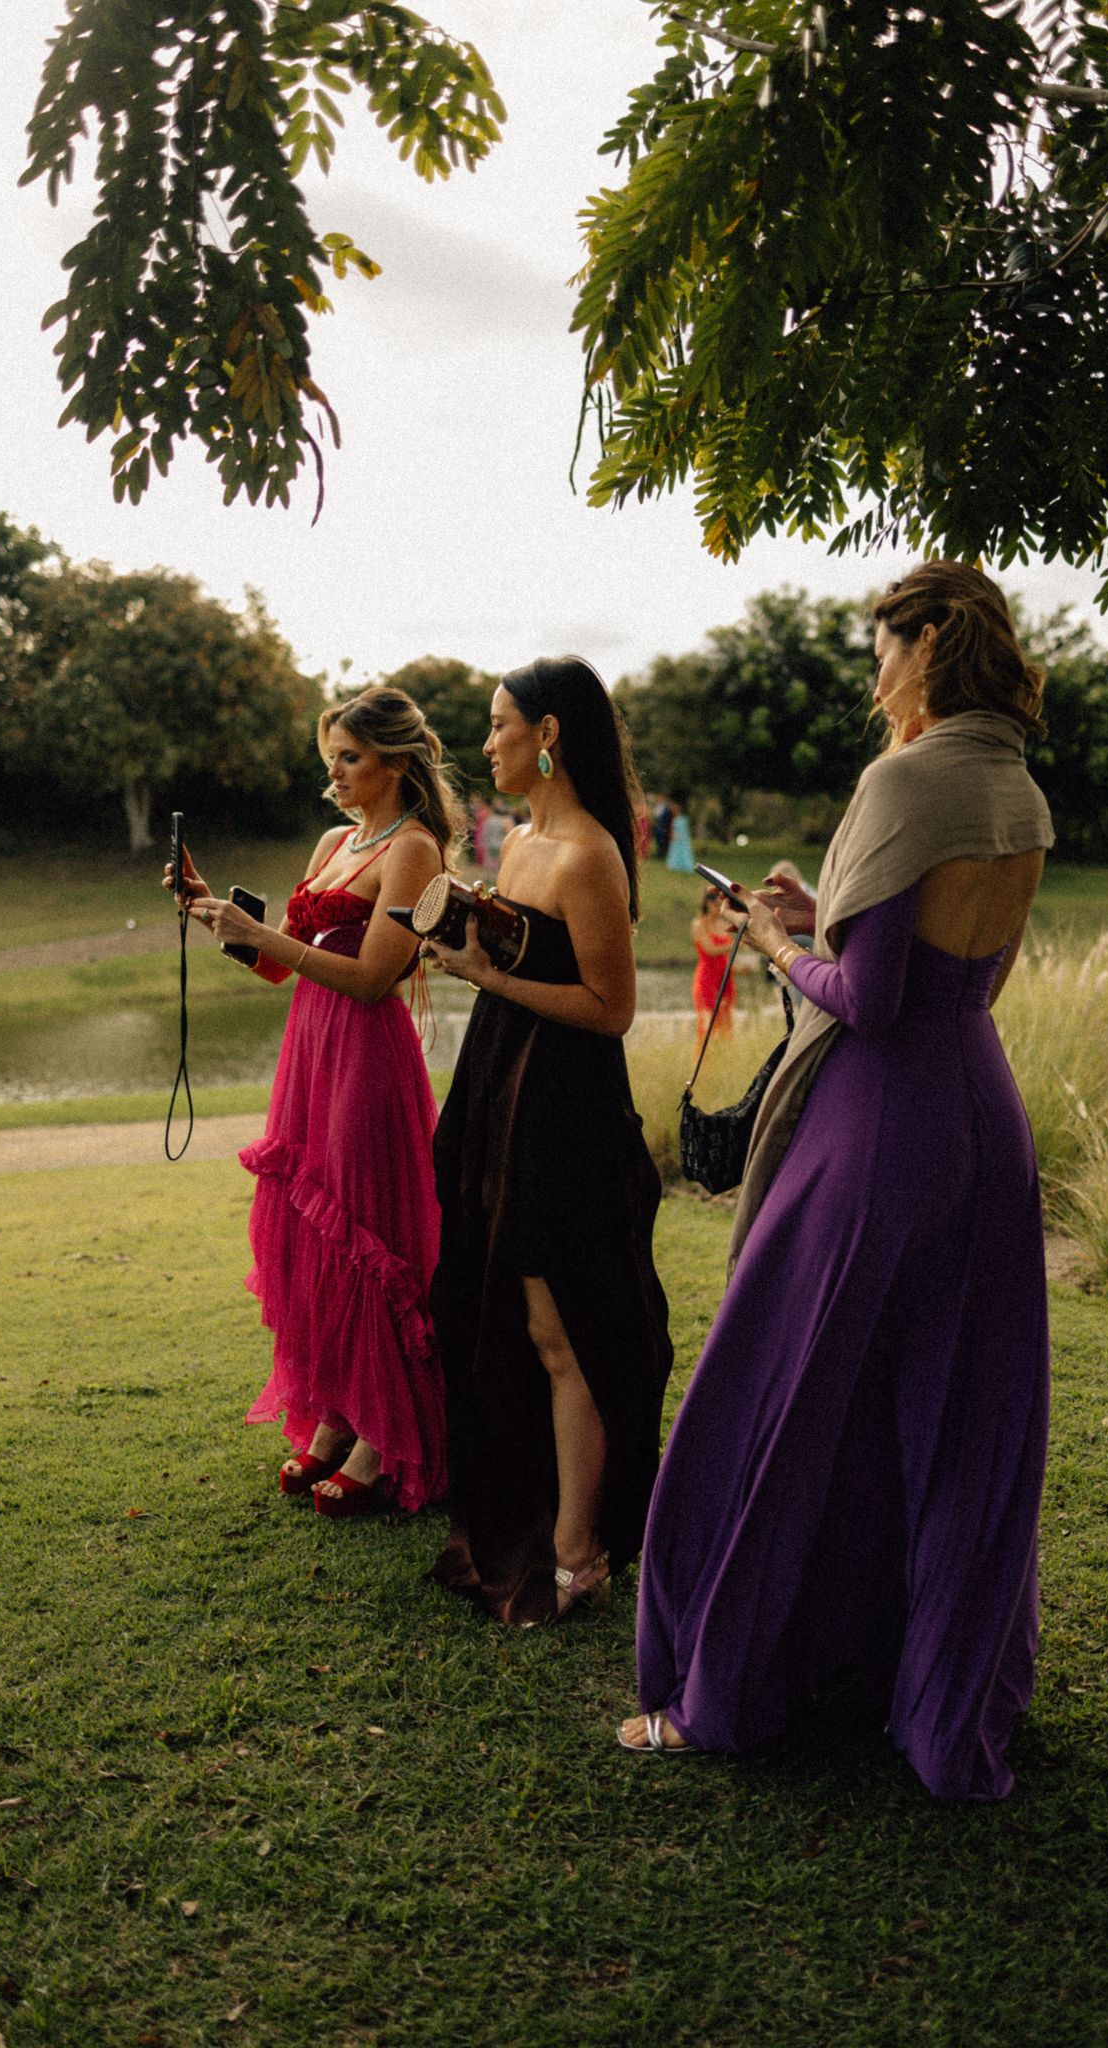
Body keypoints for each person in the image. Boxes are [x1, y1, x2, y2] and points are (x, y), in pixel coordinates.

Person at [620, 560, 1055, 1802]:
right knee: (954, 1411)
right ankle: (913, 1680)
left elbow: (863, 999)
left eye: (882, 647)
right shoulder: (1016, 786)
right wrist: (824, 923)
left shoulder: (902, 777)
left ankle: (730, 1692)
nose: (875, 672)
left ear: (927, 648)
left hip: (877, 1126)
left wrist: (773, 944)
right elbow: (950, 978)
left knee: (782, 1388)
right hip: (982, 1111)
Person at [168, 686, 462, 1518]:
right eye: (329, 756)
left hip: (365, 1056)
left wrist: (266, 936)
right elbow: (278, 964)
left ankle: (385, 1433)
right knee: (310, 1230)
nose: (333, 773)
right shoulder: (336, 840)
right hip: (309, 1050)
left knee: (367, 1227)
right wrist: (209, 914)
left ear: (395, 762)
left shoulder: (413, 849)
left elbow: (376, 978)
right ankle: (335, 1413)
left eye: (349, 757)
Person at [423, 655, 674, 1625]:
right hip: (500, 1079)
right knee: (506, 1315)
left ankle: (581, 1546)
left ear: (550, 733)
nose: (487, 744)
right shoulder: (521, 840)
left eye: (499, 725)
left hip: (563, 1106)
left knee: (563, 1329)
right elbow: (524, 955)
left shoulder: (588, 855)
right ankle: (532, 1512)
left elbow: (611, 1010)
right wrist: (471, 939)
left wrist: (488, 978)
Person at [691, 885, 737, 1041]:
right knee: (708, 1026)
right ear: (709, 905)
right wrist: (735, 944)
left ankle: (724, 1059)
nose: (721, 910)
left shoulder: (724, 925)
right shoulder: (699, 925)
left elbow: (728, 956)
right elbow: (710, 950)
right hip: (707, 977)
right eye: (718, 906)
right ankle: (705, 1063)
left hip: (724, 976)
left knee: (726, 1023)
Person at [664, 800, 695, 873]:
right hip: (676, 838)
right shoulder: (675, 819)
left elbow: (683, 831)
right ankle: (675, 865)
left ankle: (683, 865)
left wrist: (677, 836)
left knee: (683, 851)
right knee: (675, 851)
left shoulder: (682, 819)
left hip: (680, 838)